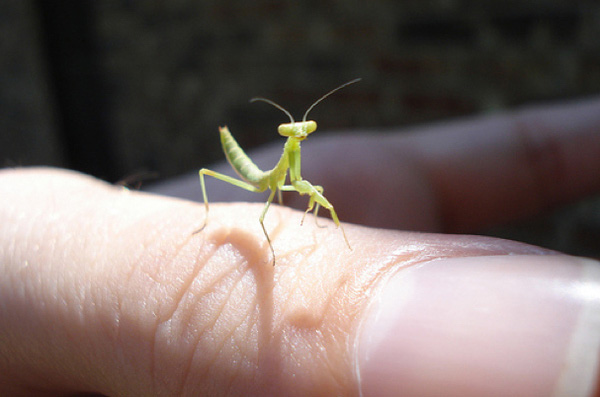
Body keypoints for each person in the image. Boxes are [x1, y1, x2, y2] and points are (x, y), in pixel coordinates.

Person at [1, 97, 599, 396]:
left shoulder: (300, 158)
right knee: (240, 196)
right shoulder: (265, 169)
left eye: (302, 131)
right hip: (247, 186)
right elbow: (270, 201)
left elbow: (295, 189)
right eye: (296, 130)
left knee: (314, 200)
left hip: (274, 188)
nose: (300, 134)